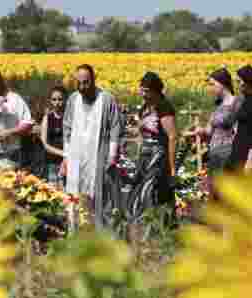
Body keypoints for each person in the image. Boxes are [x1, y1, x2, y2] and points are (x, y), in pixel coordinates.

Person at [62, 64, 123, 231]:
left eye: (86, 82)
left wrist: (111, 155)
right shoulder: (73, 99)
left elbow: (115, 128)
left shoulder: (106, 99)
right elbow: (67, 129)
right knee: (75, 197)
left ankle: (102, 240)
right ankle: (76, 237)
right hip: (76, 157)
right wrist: (66, 158)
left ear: (94, 80)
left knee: (100, 199)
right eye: (79, 83)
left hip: (99, 156)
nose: (82, 87)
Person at [123, 72, 176, 241]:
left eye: (146, 91)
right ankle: (141, 233)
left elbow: (173, 136)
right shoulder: (144, 107)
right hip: (144, 157)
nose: (142, 94)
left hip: (158, 157)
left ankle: (160, 235)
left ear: (155, 90)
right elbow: (140, 131)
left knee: (154, 194)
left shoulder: (164, 107)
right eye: (141, 90)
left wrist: (172, 166)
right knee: (138, 193)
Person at [193, 68, 240, 197]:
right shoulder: (218, 105)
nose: (211, 88)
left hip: (228, 154)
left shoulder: (236, 103)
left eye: (213, 84)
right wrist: (199, 131)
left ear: (223, 84)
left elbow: (239, 130)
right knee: (215, 193)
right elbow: (209, 131)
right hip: (214, 154)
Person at [40, 85, 67, 186]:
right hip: (51, 163)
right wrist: (63, 153)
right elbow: (44, 144)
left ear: (65, 100)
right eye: (54, 99)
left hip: (67, 162)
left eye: (60, 99)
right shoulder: (47, 118)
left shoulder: (69, 118)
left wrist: (66, 157)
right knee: (53, 192)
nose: (57, 103)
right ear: (50, 101)